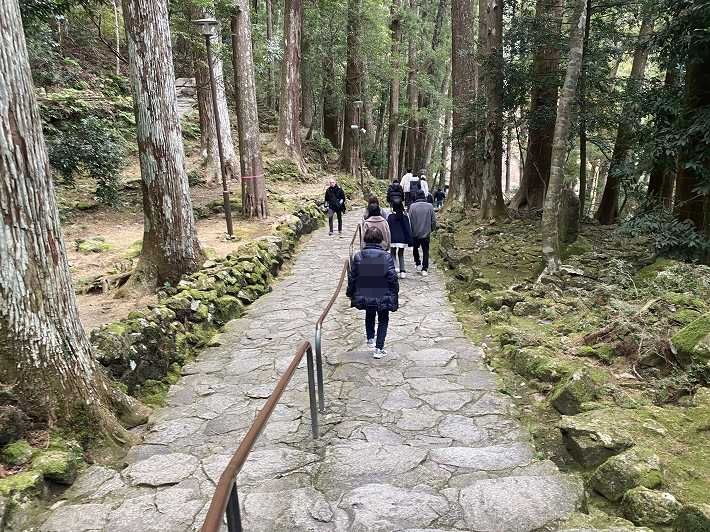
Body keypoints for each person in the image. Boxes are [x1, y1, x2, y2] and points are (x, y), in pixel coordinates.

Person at [346, 226, 399, 358]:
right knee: (383, 319)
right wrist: (395, 291)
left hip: (366, 290)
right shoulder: (386, 256)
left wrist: (350, 292)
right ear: (380, 239)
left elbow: (353, 276)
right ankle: (379, 348)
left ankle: (370, 338)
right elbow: (392, 277)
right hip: (383, 291)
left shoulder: (359, 256)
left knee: (369, 313)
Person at [408, 190, 437, 276]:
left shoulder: (412, 206)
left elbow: (409, 219)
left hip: (415, 232)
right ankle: (425, 268)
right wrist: (431, 229)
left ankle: (417, 263)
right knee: (425, 250)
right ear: (424, 196)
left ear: (416, 196)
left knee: (415, 248)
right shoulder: (430, 206)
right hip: (426, 232)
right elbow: (433, 220)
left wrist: (411, 230)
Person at [387, 202, 412, 279]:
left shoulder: (390, 217)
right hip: (402, 239)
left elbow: (388, 228)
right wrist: (410, 240)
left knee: (393, 253)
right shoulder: (405, 217)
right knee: (401, 254)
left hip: (393, 238)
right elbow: (408, 229)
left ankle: (395, 267)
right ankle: (402, 271)